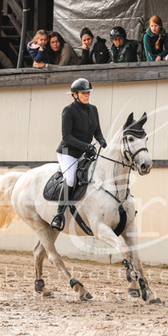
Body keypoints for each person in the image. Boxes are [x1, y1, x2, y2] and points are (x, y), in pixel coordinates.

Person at [50, 78, 107, 231]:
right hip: (68, 152)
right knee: (70, 179)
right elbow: (66, 136)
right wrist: (86, 146)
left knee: (102, 168)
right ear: (75, 95)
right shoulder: (68, 110)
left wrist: (102, 141)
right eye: (83, 93)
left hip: (85, 151)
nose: (87, 95)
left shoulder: (93, 109)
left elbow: (97, 131)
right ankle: (59, 215)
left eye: (88, 93)